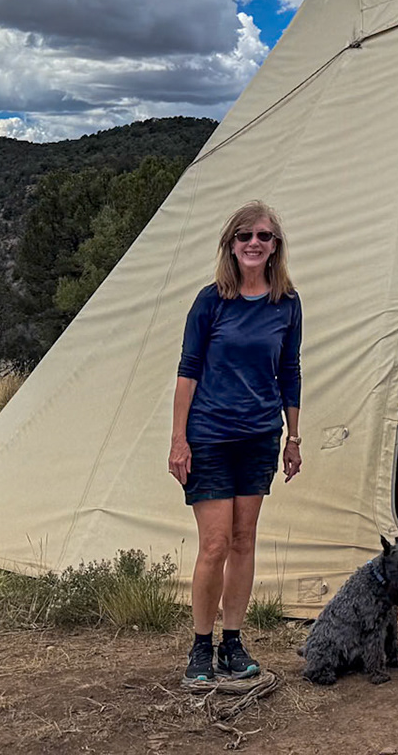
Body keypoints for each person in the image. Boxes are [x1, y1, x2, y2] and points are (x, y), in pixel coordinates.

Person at [169, 200, 303, 689]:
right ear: (231, 243)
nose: (254, 243)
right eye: (245, 235)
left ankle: (233, 640)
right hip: (209, 436)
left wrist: (293, 436)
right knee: (215, 544)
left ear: (275, 247)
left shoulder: (287, 304)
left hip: (259, 436)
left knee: (245, 540)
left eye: (264, 236)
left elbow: (289, 371)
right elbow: (188, 371)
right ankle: (200, 645)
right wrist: (178, 439)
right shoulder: (211, 301)